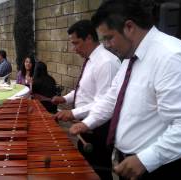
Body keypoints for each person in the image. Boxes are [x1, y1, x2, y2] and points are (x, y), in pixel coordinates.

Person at [70, 0, 181, 180]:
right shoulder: (129, 57)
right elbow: (113, 98)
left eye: (109, 37)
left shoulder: (172, 57)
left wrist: (146, 159)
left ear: (129, 27)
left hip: (161, 169)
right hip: (133, 163)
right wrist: (88, 122)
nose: (107, 45)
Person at [51, 20, 120, 180]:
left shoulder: (106, 62)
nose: (74, 49)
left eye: (76, 43)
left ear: (89, 38)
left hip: (98, 128)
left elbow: (105, 102)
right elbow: (84, 90)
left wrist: (73, 113)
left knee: (98, 173)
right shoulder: (91, 60)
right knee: (86, 169)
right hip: (84, 127)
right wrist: (64, 98)